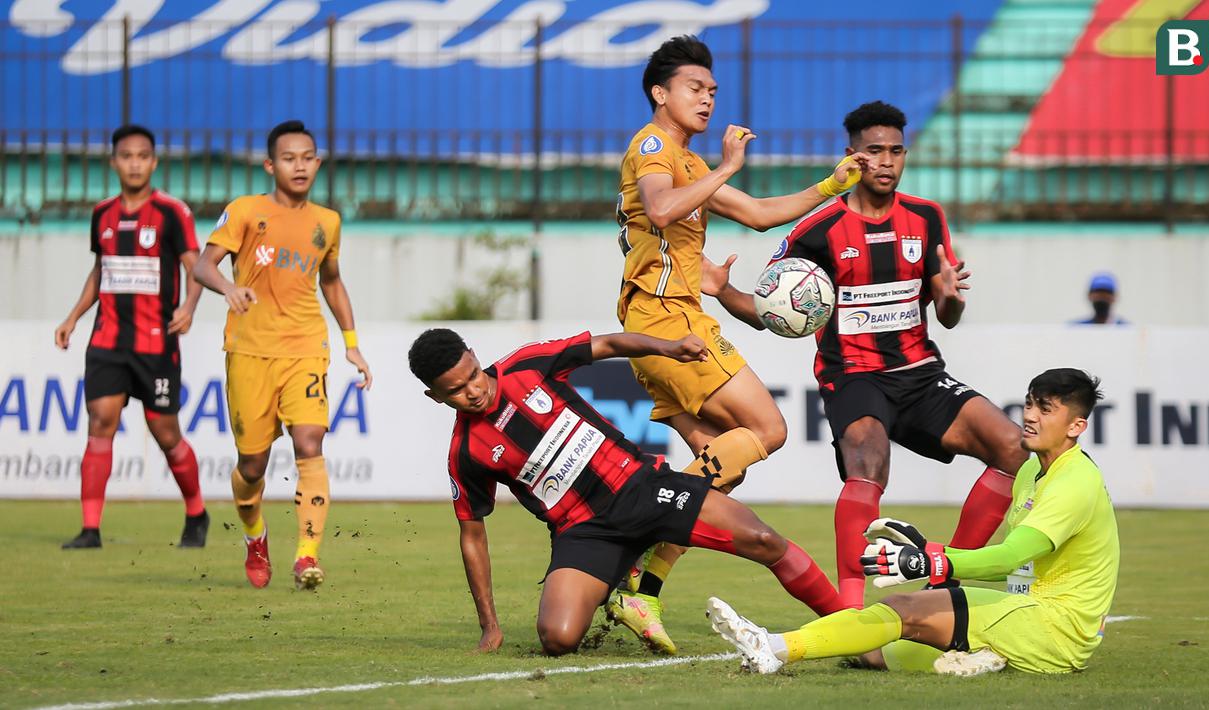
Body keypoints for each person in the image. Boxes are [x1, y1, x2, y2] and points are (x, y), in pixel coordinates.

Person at [704, 101, 1029, 609]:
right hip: (853, 376)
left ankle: (944, 586)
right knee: (869, 464)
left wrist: (950, 296)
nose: (886, 161)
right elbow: (771, 312)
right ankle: (852, 611)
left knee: (1012, 447)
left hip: (921, 374)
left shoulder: (926, 217)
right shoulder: (817, 231)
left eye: (896, 151)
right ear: (851, 156)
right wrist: (725, 292)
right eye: (874, 151)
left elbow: (947, 316)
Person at [610, 34, 868, 650]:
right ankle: (635, 530)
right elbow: (661, 209)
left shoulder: (688, 163)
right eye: (694, 88)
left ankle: (639, 590)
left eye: (712, 90)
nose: (707, 99)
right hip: (667, 319)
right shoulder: (653, 146)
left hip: (667, 318)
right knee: (768, 429)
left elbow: (755, 213)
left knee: (720, 472)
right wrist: (727, 166)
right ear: (660, 93)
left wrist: (830, 186)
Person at [408, 328, 846, 656]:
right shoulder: (465, 452)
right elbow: (472, 536)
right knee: (558, 638)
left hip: (642, 487)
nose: (473, 391)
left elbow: (608, 345)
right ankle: (622, 583)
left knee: (765, 540)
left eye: (472, 376)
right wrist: (490, 625)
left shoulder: (526, 365)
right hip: (585, 532)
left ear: (473, 356)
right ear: (434, 397)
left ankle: (849, 628)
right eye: (456, 391)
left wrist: (668, 348)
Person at [708, 368, 1119, 677]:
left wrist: (930, 562)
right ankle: (985, 657)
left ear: (1076, 426)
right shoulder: (1031, 470)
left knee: (901, 610)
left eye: (1045, 409)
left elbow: (1010, 557)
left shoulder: (1074, 482)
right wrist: (928, 551)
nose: (1030, 416)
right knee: (869, 653)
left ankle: (771, 646)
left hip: (1054, 626)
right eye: (1029, 404)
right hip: (1025, 611)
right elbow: (1016, 566)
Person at [193, 120, 372, 590]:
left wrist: (352, 344)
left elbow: (331, 281)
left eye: (307, 158)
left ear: (318, 162)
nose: (299, 166)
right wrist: (229, 288)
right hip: (250, 351)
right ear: (270, 165)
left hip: (306, 347)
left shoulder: (327, 222)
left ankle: (306, 556)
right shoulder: (245, 211)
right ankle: (255, 535)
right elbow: (202, 265)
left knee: (310, 442)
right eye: (289, 158)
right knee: (252, 466)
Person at [55, 124, 208, 550]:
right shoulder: (102, 214)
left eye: (142, 156)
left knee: (165, 432)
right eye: (127, 156)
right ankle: (90, 529)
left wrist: (188, 307)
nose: (135, 164)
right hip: (108, 341)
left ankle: (197, 512)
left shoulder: (172, 212)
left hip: (156, 343)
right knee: (100, 421)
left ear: (154, 163)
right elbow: (100, 270)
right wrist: (73, 317)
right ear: (114, 163)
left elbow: (195, 266)